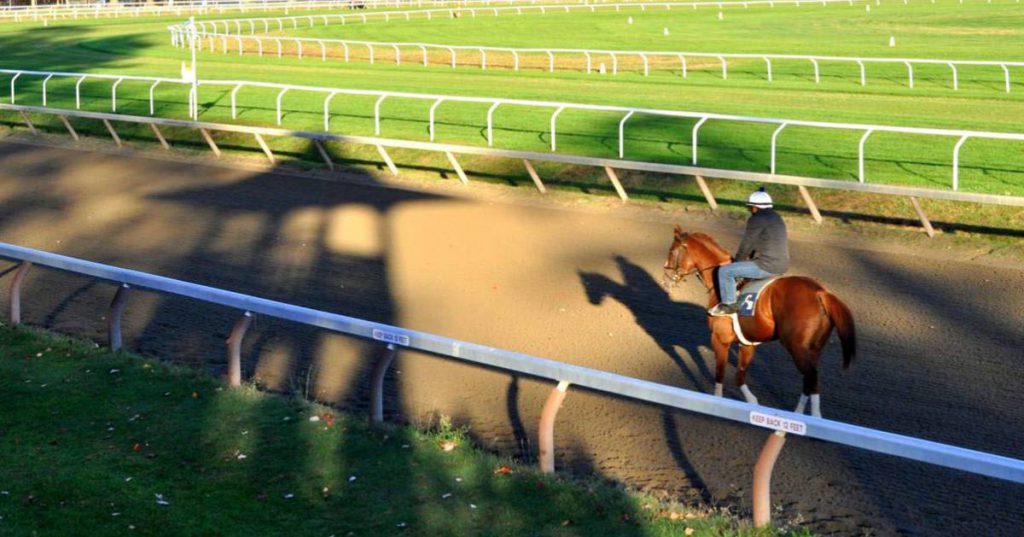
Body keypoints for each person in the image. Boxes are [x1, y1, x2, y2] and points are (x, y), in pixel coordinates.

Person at [707, 188, 789, 316]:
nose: (750, 211)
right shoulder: (776, 217)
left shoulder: (756, 219)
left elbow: (747, 245)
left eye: (750, 208)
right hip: (783, 264)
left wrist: (736, 261)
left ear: (756, 207)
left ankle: (728, 304)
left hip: (766, 266)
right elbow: (762, 241)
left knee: (725, 271)